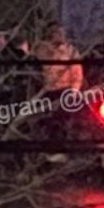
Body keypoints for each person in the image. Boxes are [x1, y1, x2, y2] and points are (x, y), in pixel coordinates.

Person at [33, 23, 83, 161]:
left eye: (61, 32)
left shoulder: (70, 51)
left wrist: (74, 91)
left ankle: (63, 152)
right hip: (48, 91)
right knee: (49, 122)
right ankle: (49, 152)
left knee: (62, 122)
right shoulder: (42, 50)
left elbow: (77, 73)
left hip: (65, 90)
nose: (60, 35)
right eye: (56, 32)